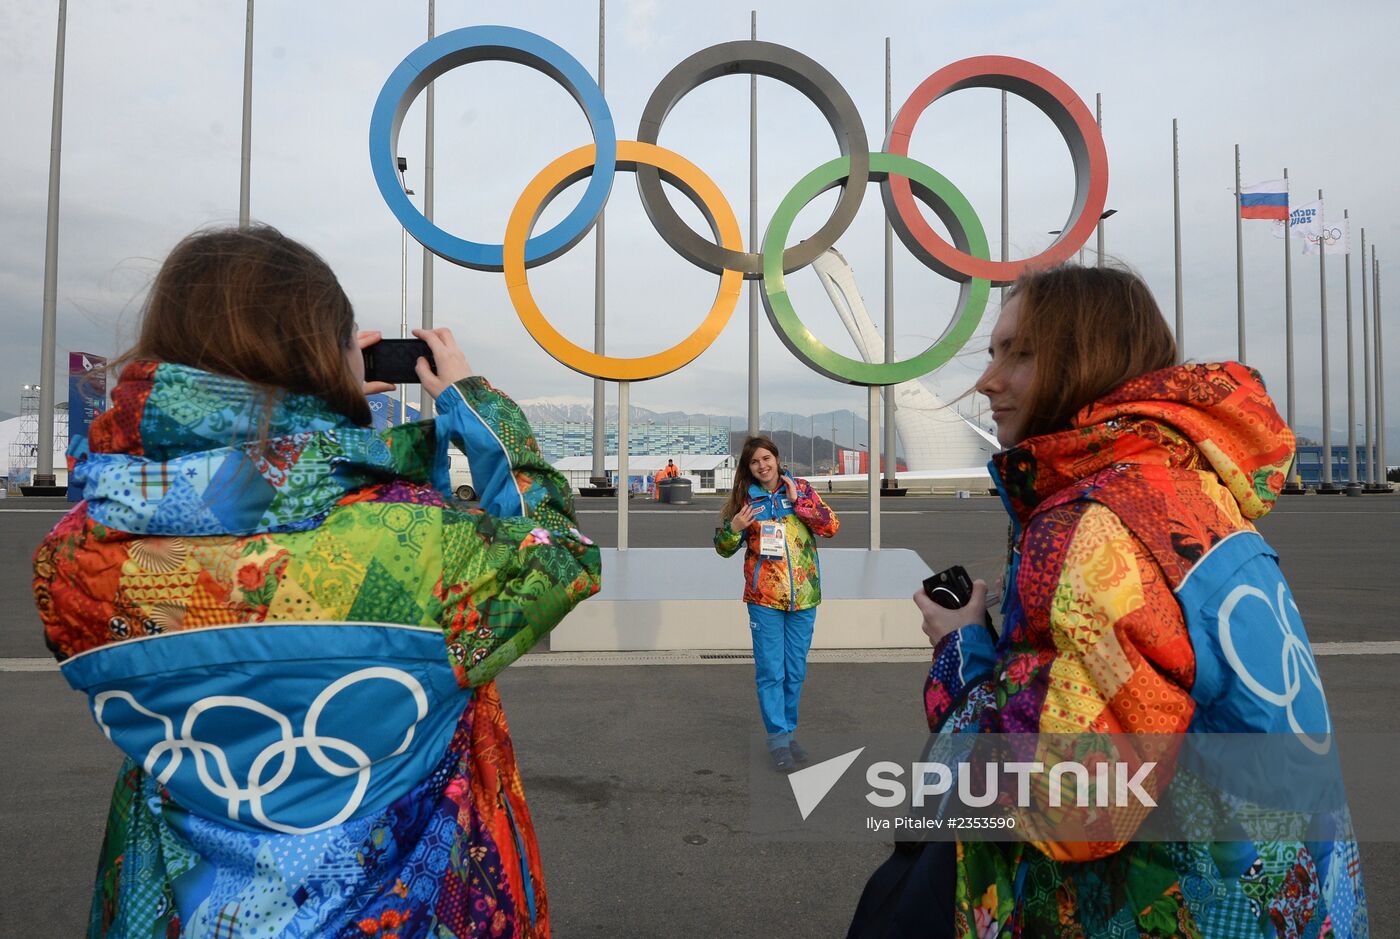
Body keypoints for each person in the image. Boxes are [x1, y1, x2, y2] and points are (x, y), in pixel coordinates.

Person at [33, 225, 601, 938]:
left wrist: (299, 414)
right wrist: (475, 406)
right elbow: (562, 552)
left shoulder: (80, 561)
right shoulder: (417, 547)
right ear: (323, 355)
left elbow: (168, 488)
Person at [851, 264, 1368, 936]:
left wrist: (961, 650)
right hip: (1298, 896)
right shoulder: (1193, 491)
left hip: (1185, 906)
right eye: (993, 352)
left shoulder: (1091, 527)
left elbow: (1068, 808)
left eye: (1021, 352)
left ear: (1084, 362)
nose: (987, 381)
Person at [714, 436, 839, 771]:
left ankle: (787, 731)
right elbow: (723, 548)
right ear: (749, 468)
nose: (762, 466)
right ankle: (779, 741)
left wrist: (800, 504)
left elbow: (831, 527)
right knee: (772, 670)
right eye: (755, 462)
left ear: (777, 458)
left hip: (804, 596)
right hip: (764, 599)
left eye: (766, 458)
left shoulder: (801, 489)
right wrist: (733, 528)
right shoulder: (745, 500)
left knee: (795, 671)